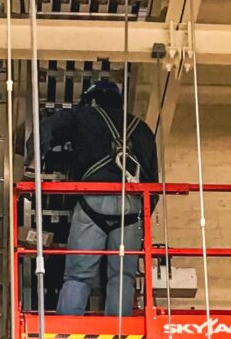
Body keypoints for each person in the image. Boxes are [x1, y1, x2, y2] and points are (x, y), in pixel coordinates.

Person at [38, 79, 158, 316]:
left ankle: (67, 328)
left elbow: (46, 128)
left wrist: (36, 157)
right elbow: (152, 181)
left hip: (92, 201)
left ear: (91, 99)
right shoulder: (142, 128)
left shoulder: (82, 116)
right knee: (122, 276)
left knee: (78, 275)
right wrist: (143, 215)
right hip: (132, 207)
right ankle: (119, 333)